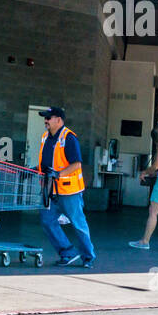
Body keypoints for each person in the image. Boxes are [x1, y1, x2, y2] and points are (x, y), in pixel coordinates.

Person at [36, 106, 95, 267]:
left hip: (69, 190)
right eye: (45, 118)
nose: (45, 121)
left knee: (78, 223)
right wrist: (34, 170)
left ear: (59, 120)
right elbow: (47, 162)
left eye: (48, 118)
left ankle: (88, 257)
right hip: (49, 188)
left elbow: (76, 164)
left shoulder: (68, 138)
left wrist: (58, 174)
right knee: (47, 220)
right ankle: (67, 252)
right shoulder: (45, 137)